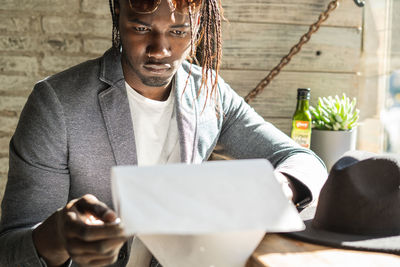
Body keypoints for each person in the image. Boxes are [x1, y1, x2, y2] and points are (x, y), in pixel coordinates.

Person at [0, 0, 327, 266]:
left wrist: (280, 188)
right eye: (141, 28)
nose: (160, 49)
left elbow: (303, 160)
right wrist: (58, 235)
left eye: (178, 31)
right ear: (118, 12)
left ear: (198, 25)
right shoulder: (56, 103)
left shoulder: (208, 94)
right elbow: (10, 249)